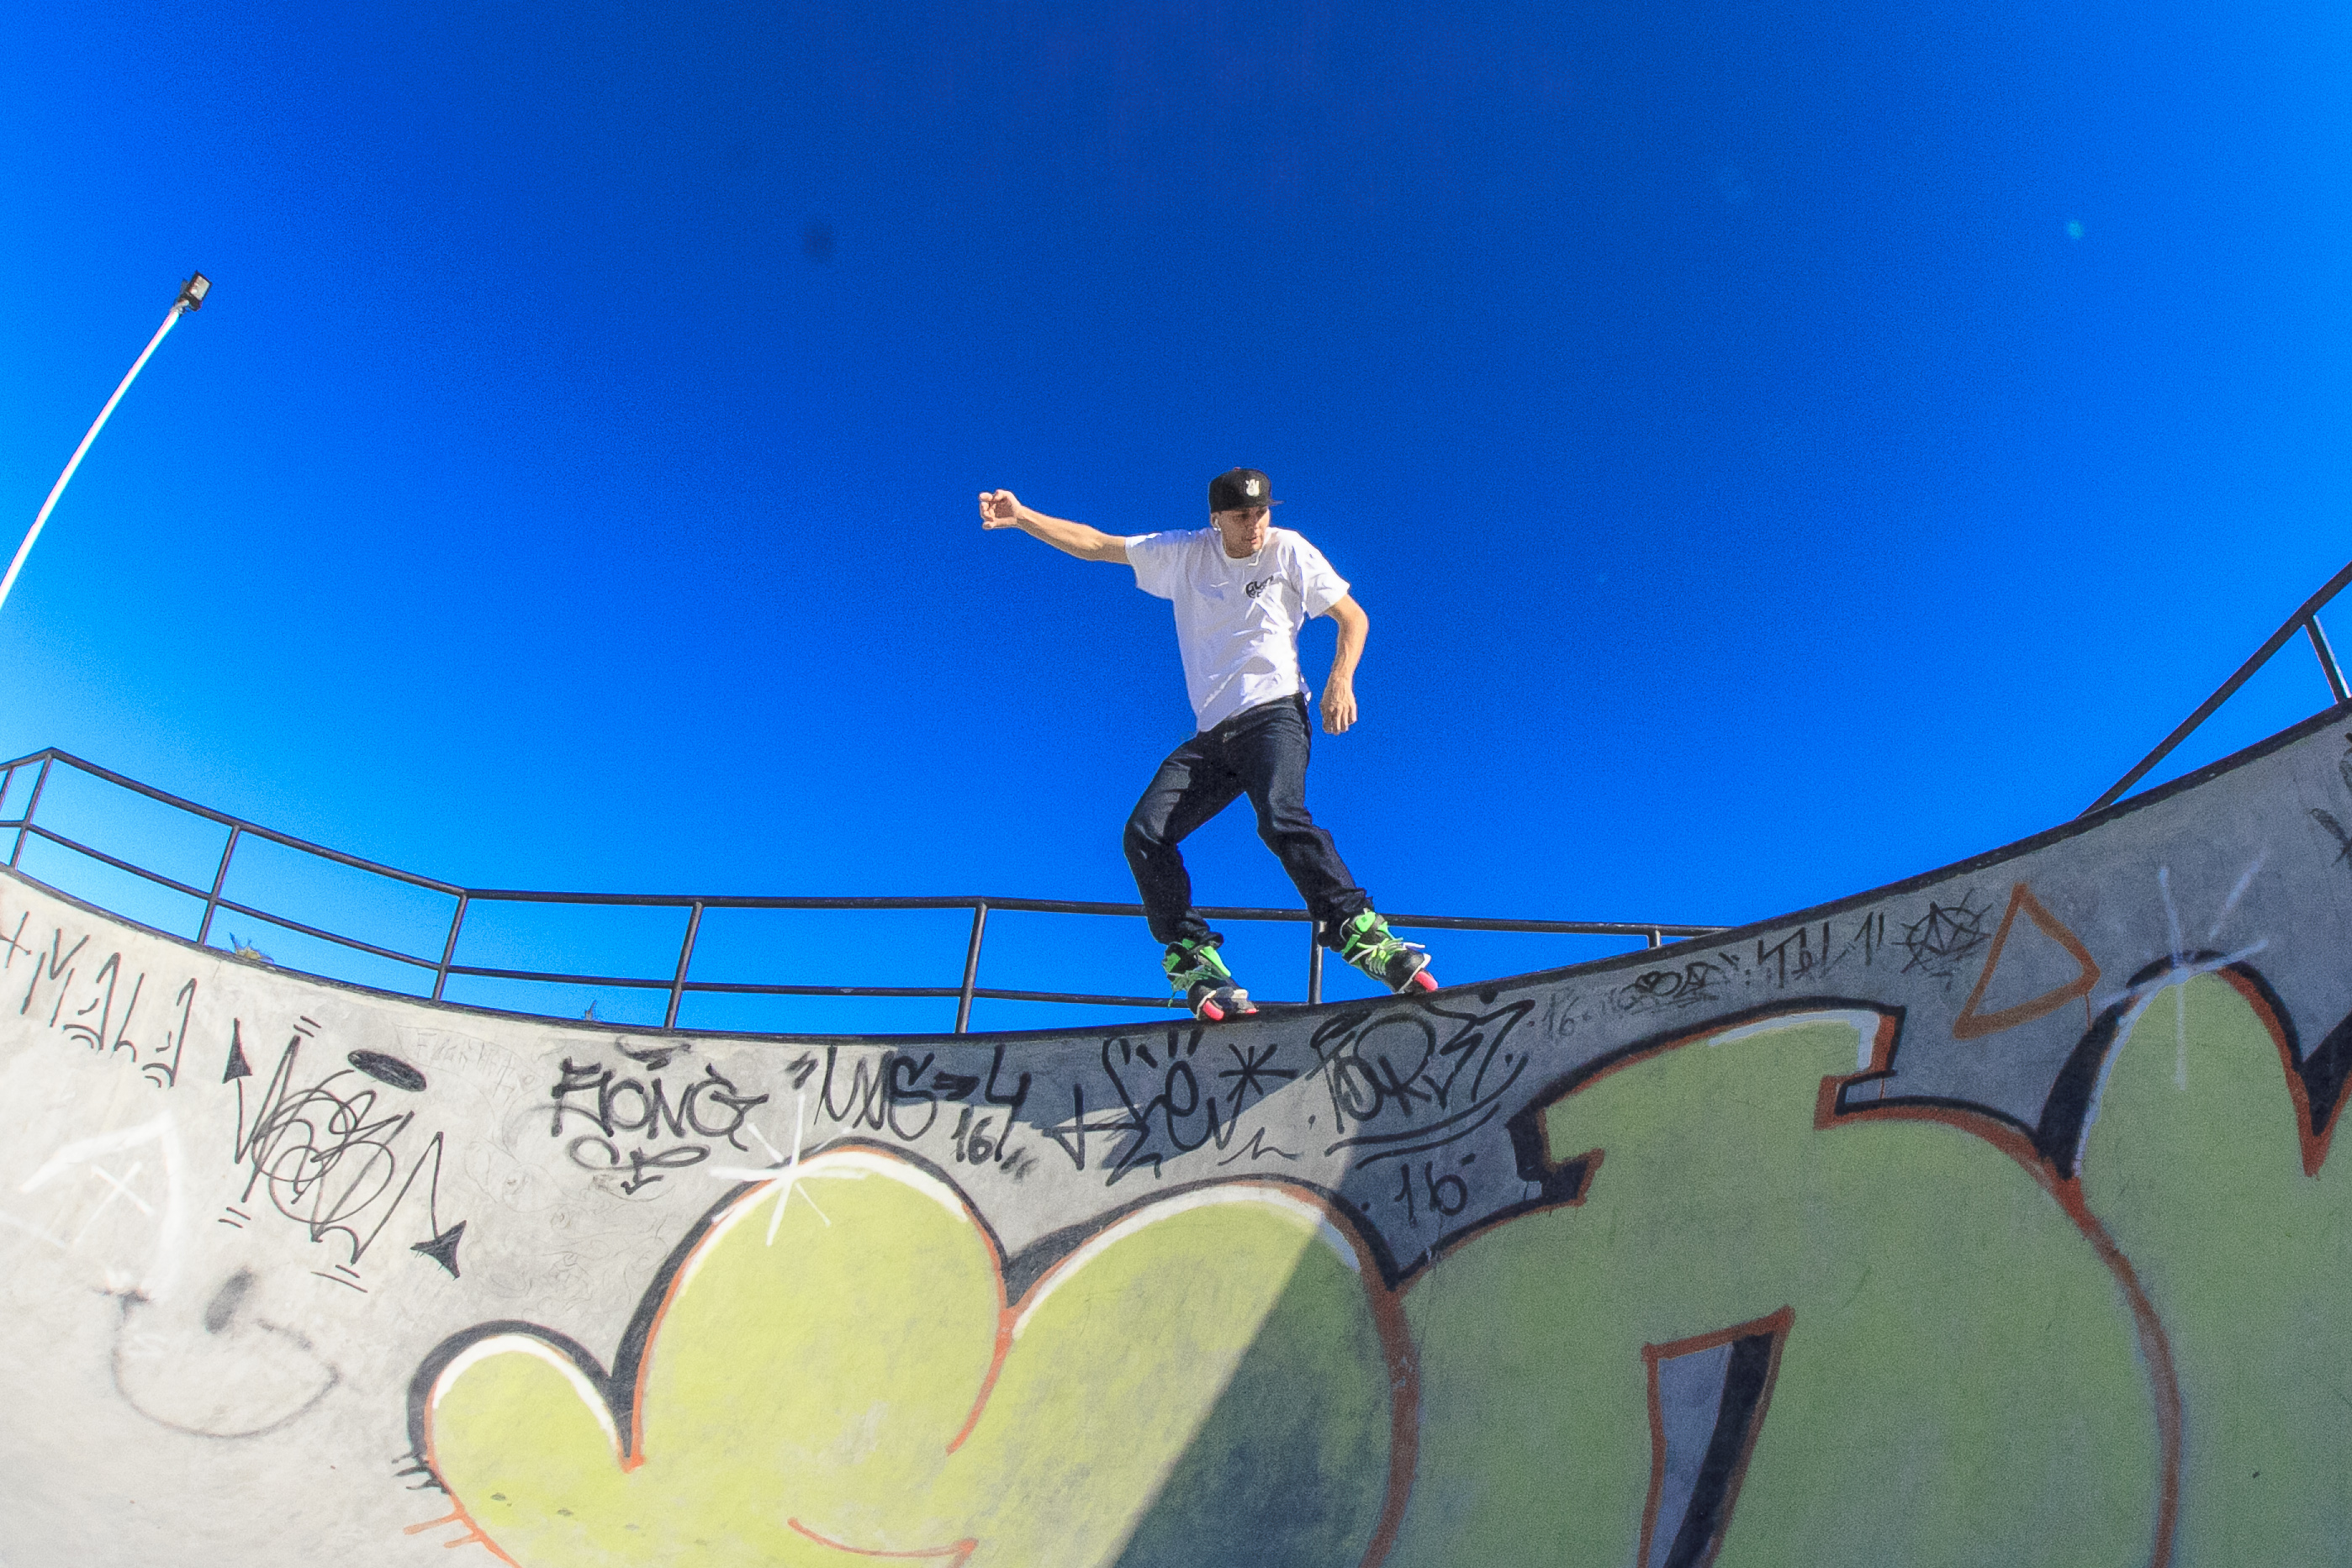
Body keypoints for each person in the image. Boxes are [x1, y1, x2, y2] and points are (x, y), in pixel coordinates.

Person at [978, 467, 1438, 1020]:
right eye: (1242, 516)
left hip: (1274, 715)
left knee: (1280, 815)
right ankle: (1193, 958)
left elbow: (1352, 617)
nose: (1255, 526)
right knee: (1144, 832)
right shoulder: (1184, 553)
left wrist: (1340, 680)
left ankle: (1361, 934)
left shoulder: (1289, 549)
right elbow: (1098, 544)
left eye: (1262, 512)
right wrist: (1022, 515)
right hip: (1212, 737)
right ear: (1215, 518)